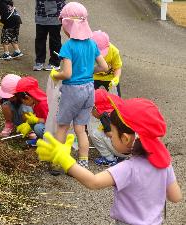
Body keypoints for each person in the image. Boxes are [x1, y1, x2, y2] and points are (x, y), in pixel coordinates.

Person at [36, 93, 182, 225]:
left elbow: (93, 182)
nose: (110, 135)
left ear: (125, 138)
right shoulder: (164, 164)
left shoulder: (128, 168)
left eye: (112, 132)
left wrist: (65, 160)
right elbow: (175, 197)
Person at [49, 2, 108, 168]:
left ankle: (58, 161)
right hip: (89, 89)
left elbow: (66, 73)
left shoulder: (68, 46)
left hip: (72, 91)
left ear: (67, 25)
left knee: (62, 127)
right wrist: (89, 72)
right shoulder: (92, 43)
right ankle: (83, 161)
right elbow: (104, 67)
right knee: (80, 128)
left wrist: (55, 74)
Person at [88, 89, 128, 166]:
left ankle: (109, 158)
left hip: (120, 149)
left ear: (96, 108)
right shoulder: (115, 111)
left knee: (95, 133)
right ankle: (120, 156)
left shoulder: (104, 117)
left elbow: (110, 134)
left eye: (91, 109)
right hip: (129, 148)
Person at [15, 76, 49, 146]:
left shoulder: (44, 104)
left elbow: (52, 122)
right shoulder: (36, 103)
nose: (24, 104)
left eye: (23, 101)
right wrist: (29, 124)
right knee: (31, 120)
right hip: (47, 126)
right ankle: (40, 140)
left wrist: (37, 120)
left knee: (38, 128)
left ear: (27, 98)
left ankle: (49, 143)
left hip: (58, 130)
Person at [33, 0, 66, 71]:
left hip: (56, 15)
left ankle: (55, 63)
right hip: (41, 14)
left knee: (55, 40)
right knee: (40, 39)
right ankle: (39, 61)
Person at [91, 30, 123, 96]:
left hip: (110, 78)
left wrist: (116, 78)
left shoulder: (114, 51)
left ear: (108, 45)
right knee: (88, 97)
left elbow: (117, 68)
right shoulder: (87, 51)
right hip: (93, 77)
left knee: (116, 98)